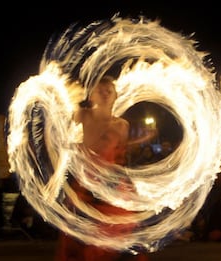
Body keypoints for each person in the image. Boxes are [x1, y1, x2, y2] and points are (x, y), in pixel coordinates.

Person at [55, 75, 150, 261]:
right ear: (92, 96)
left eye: (109, 91)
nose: (105, 94)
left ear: (115, 96)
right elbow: (62, 116)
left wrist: (124, 184)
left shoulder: (122, 125)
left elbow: (120, 157)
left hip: (112, 185)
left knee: (115, 234)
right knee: (84, 236)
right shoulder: (84, 115)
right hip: (87, 182)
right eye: (100, 91)